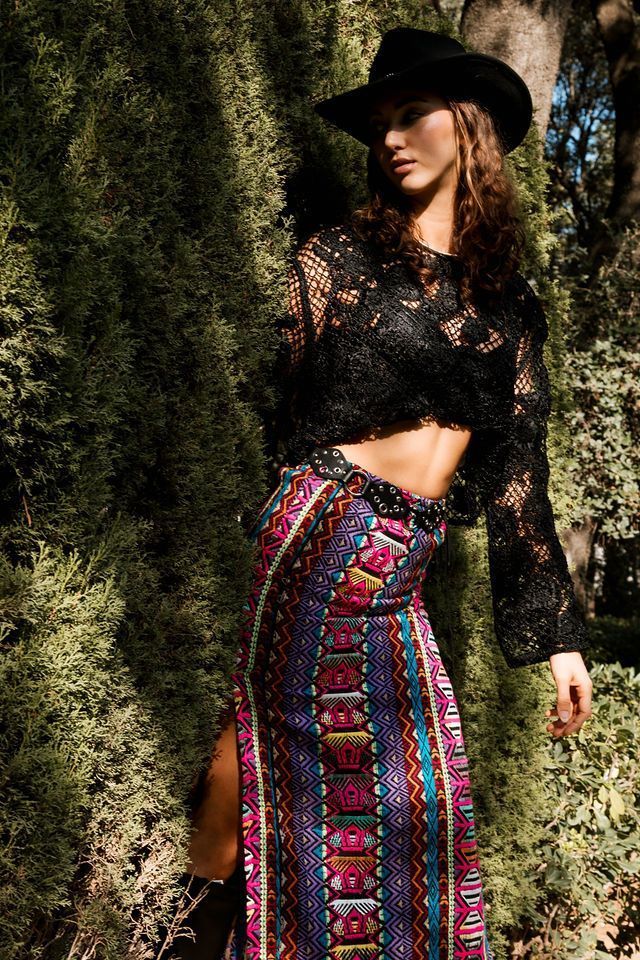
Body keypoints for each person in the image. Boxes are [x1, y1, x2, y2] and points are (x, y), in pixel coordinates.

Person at [158, 26, 593, 960]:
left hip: (401, 567)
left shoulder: (510, 305)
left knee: (415, 797)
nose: (391, 138)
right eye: (381, 123)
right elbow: (265, 394)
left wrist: (559, 638)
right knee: (262, 757)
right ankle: (186, 939)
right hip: (321, 532)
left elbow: (518, 473)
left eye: (412, 114)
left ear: (468, 126)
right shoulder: (340, 260)